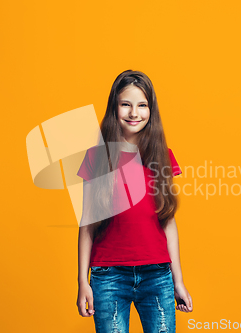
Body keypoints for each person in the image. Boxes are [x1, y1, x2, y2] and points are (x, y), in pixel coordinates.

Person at [76, 69, 193, 333]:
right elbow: (87, 224)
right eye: (126, 104)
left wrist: (178, 281)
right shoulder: (96, 158)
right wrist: (83, 281)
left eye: (142, 105)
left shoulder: (163, 156)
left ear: (151, 111)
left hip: (157, 275)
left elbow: (168, 222)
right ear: (114, 108)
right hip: (108, 276)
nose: (134, 113)